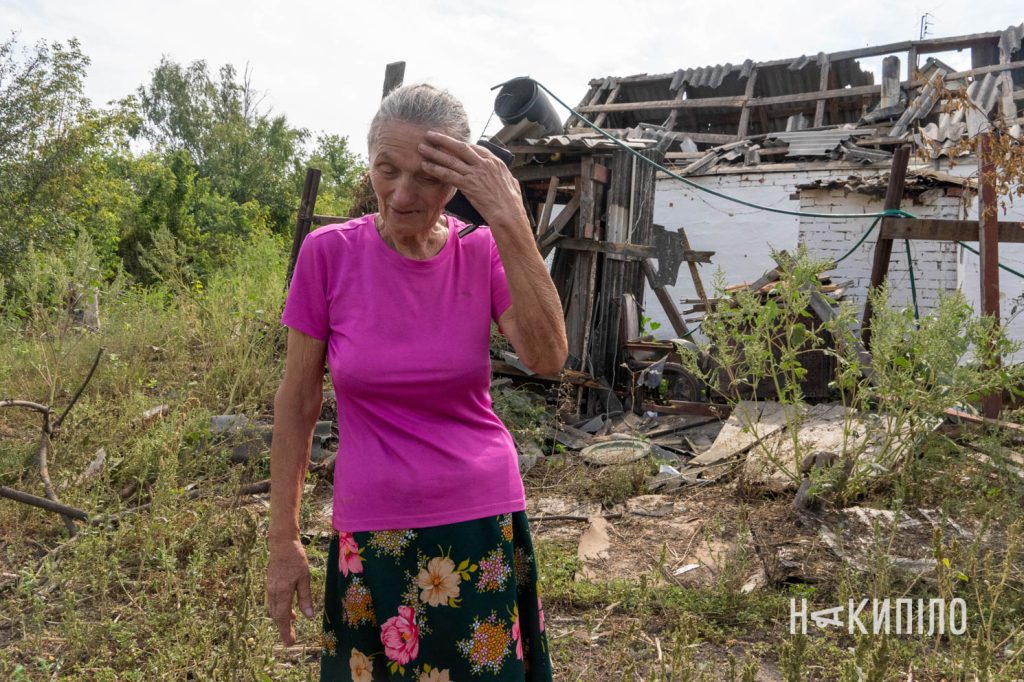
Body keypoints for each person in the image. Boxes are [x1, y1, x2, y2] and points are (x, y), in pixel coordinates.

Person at [267, 83, 567, 681]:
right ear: (370, 160)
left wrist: (509, 218)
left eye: (427, 178)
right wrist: (283, 540)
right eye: (387, 169)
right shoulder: (328, 254)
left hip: (479, 521)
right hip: (372, 530)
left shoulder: (481, 252)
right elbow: (298, 402)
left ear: (457, 182)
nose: (402, 195)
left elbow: (549, 357)